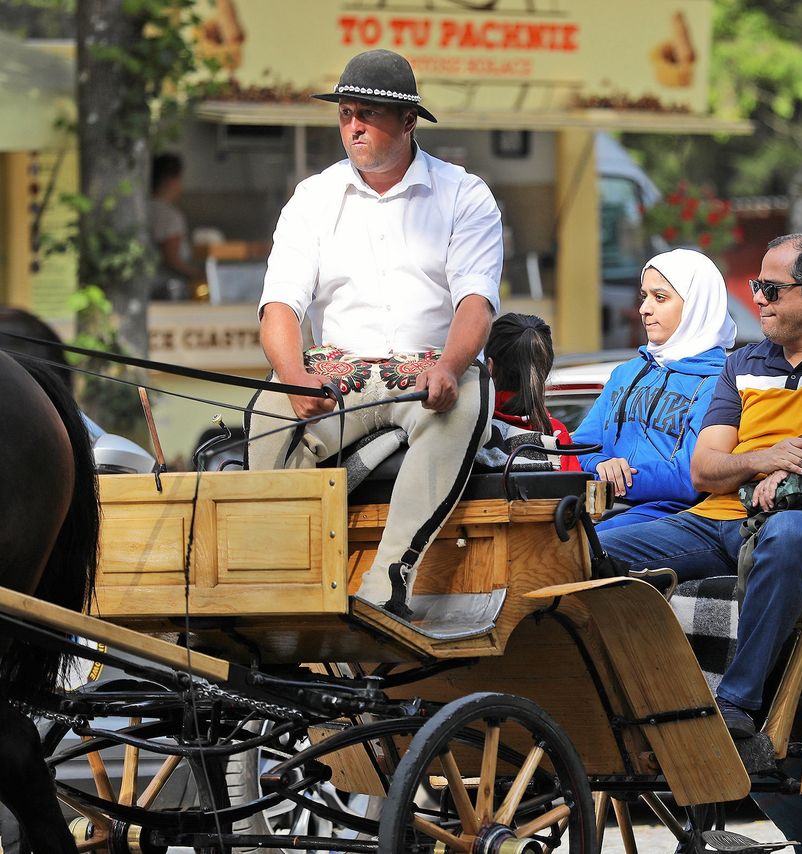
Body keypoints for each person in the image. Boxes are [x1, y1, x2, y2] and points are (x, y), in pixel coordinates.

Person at [598, 234, 802, 738]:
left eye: (771, 289)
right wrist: (763, 459)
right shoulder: (742, 365)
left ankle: (737, 706)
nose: (757, 299)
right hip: (716, 519)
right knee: (589, 546)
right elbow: (705, 469)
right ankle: (617, 704)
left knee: (789, 534)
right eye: (756, 287)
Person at [246, 48, 502, 622]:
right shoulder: (313, 198)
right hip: (338, 372)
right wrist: (294, 379)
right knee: (264, 411)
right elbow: (280, 306)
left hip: (427, 370)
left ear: (409, 122)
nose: (353, 126)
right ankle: (263, 576)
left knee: (466, 397)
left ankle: (388, 580)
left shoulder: (464, 194)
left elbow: (476, 303)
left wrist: (449, 366)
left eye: (367, 113)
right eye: (344, 114)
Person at [574, 248, 736, 530]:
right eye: (644, 296)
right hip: (600, 510)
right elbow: (578, 446)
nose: (644, 308)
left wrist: (619, 480)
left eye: (660, 297)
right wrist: (600, 464)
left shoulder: (719, 382)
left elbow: (691, 477)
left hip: (670, 519)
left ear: (697, 305)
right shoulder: (625, 374)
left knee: (577, 553)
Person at [482, 312, 580, 471]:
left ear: (489, 366)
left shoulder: (474, 429)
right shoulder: (555, 434)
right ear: (545, 371)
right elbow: (573, 492)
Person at [149, 153, 202, 299]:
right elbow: (172, 259)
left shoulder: (143, 210)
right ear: (172, 181)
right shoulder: (169, 216)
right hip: (167, 288)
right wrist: (200, 275)